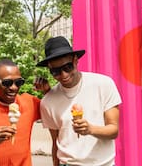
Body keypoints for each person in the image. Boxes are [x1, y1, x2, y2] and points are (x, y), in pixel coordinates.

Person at [35, 36, 122, 166]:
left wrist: (90, 129)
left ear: (75, 60)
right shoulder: (48, 101)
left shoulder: (103, 84)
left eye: (67, 67)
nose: (63, 75)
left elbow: (113, 131)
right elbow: (55, 142)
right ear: (49, 69)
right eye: (56, 71)